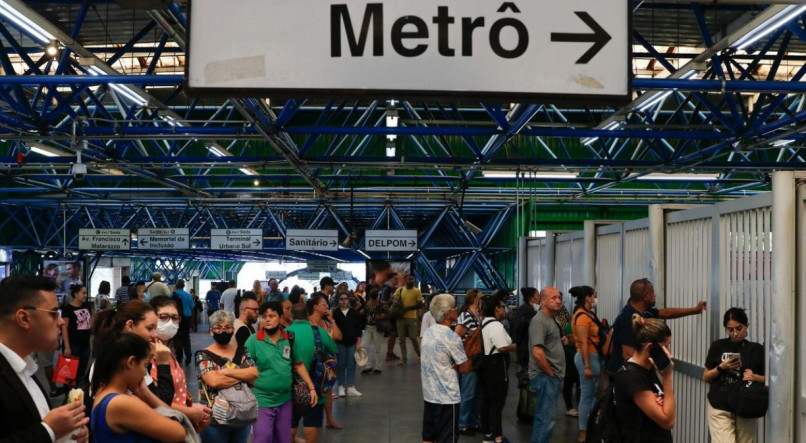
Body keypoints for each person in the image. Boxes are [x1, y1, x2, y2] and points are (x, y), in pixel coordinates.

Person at [0, 275, 89, 442]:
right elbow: (44, 429)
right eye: (54, 313)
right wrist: (48, 430)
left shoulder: (26, 369)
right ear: (24, 318)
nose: (61, 322)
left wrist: (65, 435)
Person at [91, 331, 187, 442]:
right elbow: (178, 432)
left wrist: (145, 392)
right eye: (145, 365)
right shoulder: (121, 403)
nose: (143, 373)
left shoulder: (103, 392)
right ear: (131, 362)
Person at [245, 301, 317, 443]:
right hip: (262, 400)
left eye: (272, 316)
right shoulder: (253, 341)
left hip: (285, 400)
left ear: (280, 317)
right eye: (264, 316)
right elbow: (244, 369)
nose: (267, 319)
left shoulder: (289, 338)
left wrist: (311, 388)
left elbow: (299, 365)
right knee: (262, 438)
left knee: (283, 439)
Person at [606, 278, 705, 374]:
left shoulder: (642, 311)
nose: (655, 295)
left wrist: (695, 310)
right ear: (645, 296)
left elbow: (667, 313)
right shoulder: (628, 317)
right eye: (652, 292)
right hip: (622, 375)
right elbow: (628, 354)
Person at [92, 300, 176, 408]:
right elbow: (162, 404)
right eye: (149, 328)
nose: (155, 334)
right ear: (130, 325)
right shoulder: (117, 362)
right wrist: (163, 363)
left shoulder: (133, 358)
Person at [703, 308, 765, 443]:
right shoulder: (718, 346)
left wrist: (755, 377)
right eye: (730, 330)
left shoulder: (757, 350)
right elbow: (706, 376)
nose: (735, 333)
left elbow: (768, 380)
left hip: (746, 405)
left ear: (747, 325)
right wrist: (721, 368)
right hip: (720, 404)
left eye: (739, 328)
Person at [196, 310, 259, 443]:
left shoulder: (242, 351)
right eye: (218, 327)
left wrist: (228, 372)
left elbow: (253, 375)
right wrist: (243, 374)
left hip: (242, 415)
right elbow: (214, 381)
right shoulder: (202, 355)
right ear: (211, 331)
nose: (223, 331)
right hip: (215, 419)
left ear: (233, 330)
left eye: (227, 327)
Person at [150, 296, 210, 429]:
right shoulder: (148, 356)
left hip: (178, 422)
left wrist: (190, 408)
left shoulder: (168, 351)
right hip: (163, 426)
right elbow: (152, 399)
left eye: (175, 318)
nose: (170, 323)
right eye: (164, 317)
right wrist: (190, 413)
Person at [614, 314, 675, 442]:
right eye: (666, 346)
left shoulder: (649, 368)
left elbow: (665, 407)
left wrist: (661, 403)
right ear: (650, 348)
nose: (669, 352)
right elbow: (668, 421)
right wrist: (667, 377)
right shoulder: (631, 377)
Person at [420, 293, 471, 443]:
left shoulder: (429, 332)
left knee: (428, 437)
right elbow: (465, 367)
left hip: (429, 394)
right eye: (454, 308)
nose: (457, 310)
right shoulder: (452, 337)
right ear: (448, 313)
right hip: (447, 398)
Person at [286, 303, 338, 443]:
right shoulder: (317, 331)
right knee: (311, 423)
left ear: (291, 316)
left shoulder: (285, 332)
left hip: (290, 386)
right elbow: (333, 349)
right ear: (308, 316)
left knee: (291, 423)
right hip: (315, 385)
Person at [570, 285, 610, 443]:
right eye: (594, 295)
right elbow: (583, 343)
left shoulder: (589, 314)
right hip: (588, 358)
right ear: (587, 297)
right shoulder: (581, 316)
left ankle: (590, 425)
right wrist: (587, 366)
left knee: (594, 393)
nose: (595, 299)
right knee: (587, 395)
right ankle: (583, 432)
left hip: (595, 357)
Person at [529, 286, 566, 443]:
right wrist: (550, 374)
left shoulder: (550, 319)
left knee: (546, 418)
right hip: (545, 376)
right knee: (545, 420)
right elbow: (537, 352)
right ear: (542, 300)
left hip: (551, 376)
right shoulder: (539, 321)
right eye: (553, 298)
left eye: (559, 297)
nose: (558, 301)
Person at [478, 296, 515, 443]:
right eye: (502, 307)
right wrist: (513, 347)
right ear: (496, 309)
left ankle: (487, 433)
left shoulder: (484, 324)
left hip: (485, 366)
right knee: (496, 403)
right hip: (496, 366)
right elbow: (502, 347)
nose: (504, 309)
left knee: (486, 401)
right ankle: (498, 436)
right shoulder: (496, 326)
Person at [306, 294, 342, 429]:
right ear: (315, 307)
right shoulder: (308, 323)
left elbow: (338, 336)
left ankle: (329, 419)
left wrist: (332, 320)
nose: (327, 307)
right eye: (324, 304)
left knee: (327, 389)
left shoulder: (326, 323)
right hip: (313, 362)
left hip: (327, 363)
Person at [454, 288, 482, 435]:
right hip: (469, 359)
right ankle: (462, 423)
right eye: (481, 298)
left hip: (478, 359)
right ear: (475, 299)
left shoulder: (480, 316)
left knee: (477, 393)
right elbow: (456, 336)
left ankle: (474, 421)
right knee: (468, 393)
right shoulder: (466, 316)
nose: (482, 301)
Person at [61, 283, 94, 386]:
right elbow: (64, 327)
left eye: (86, 293)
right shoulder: (68, 309)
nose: (85, 295)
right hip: (72, 343)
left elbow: (91, 321)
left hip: (85, 344)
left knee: (82, 370)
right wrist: (67, 347)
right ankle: (69, 394)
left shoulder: (87, 305)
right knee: (70, 372)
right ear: (76, 294)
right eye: (83, 293)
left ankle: (78, 392)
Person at [332, 292, 364, 397]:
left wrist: (359, 342)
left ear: (348, 300)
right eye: (341, 299)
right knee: (340, 365)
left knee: (351, 364)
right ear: (338, 300)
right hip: (340, 343)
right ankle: (341, 386)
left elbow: (359, 329)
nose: (344, 301)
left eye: (345, 299)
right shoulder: (335, 314)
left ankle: (351, 386)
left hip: (352, 342)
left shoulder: (354, 313)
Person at [394, 273, 423, 365]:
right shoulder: (400, 290)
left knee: (413, 338)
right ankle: (403, 359)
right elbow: (394, 298)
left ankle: (420, 355)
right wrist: (395, 302)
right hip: (400, 318)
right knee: (401, 339)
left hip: (411, 318)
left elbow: (420, 304)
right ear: (405, 280)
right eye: (409, 279)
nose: (411, 281)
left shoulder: (417, 291)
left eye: (412, 279)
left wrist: (408, 308)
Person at [511, 287, 539, 372]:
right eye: (538, 295)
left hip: (524, 350)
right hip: (525, 351)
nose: (540, 298)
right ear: (531, 299)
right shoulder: (527, 312)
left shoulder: (526, 309)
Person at [360, 289, 387, 374]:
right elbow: (363, 311)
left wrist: (381, 317)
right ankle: (368, 366)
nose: (373, 298)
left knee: (378, 348)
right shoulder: (367, 303)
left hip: (377, 327)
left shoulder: (381, 304)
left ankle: (378, 367)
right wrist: (362, 312)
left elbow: (390, 313)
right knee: (364, 346)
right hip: (368, 327)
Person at [172, 279, 194, 365]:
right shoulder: (188, 295)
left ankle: (179, 356)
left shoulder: (172, 295)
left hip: (176, 318)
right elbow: (192, 308)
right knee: (186, 337)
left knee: (177, 337)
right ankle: (188, 354)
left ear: (176, 286)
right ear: (184, 286)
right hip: (186, 318)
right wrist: (192, 322)